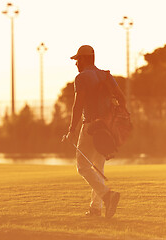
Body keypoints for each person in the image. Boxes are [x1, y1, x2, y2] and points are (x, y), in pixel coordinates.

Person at [62, 45, 126, 219]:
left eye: (77, 60)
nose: (76, 64)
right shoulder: (106, 75)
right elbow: (121, 97)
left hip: (91, 126)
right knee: (98, 169)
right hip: (107, 127)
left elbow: (78, 106)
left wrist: (71, 129)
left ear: (83, 59)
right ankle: (95, 209)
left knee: (82, 167)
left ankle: (107, 196)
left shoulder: (81, 77)